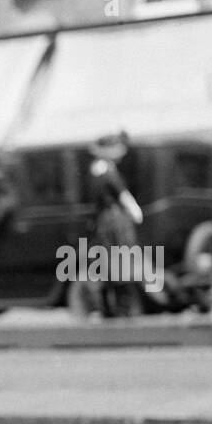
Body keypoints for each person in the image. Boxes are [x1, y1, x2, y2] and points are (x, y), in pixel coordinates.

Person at [87, 132, 144, 318]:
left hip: (104, 221)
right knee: (121, 261)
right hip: (114, 220)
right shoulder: (107, 171)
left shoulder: (96, 170)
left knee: (108, 263)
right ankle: (122, 307)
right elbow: (121, 193)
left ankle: (107, 307)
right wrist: (135, 210)